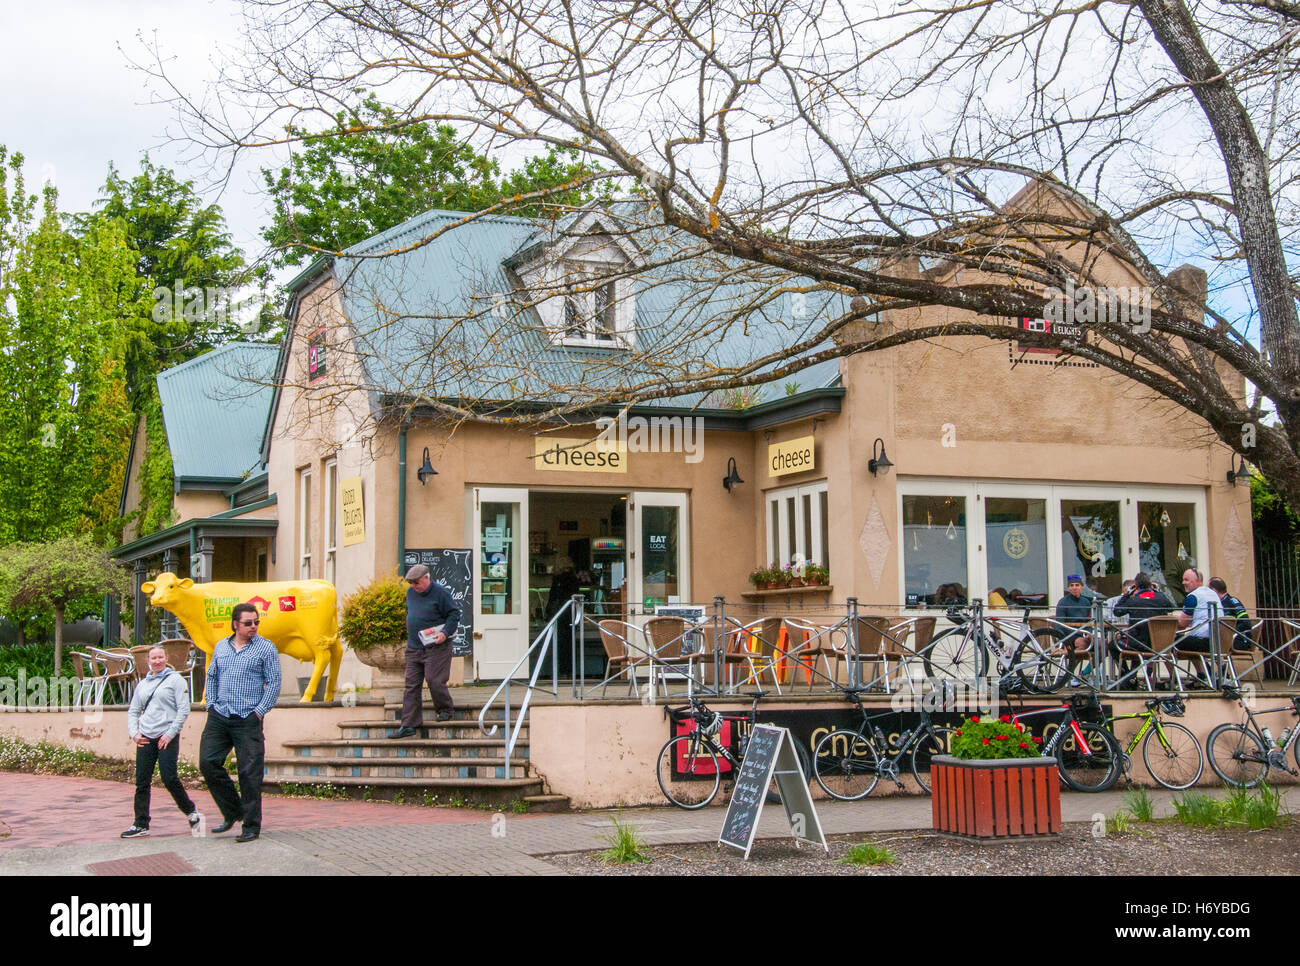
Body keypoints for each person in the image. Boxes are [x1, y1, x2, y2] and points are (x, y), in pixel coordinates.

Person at [199, 601, 281, 843]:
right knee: (208, 763)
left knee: (249, 773)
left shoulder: (266, 648)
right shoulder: (221, 647)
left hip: (248, 718)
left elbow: (274, 683)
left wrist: (259, 711)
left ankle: (251, 826)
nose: (253, 626)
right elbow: (212, 675)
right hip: (220, 716)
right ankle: (233, 811)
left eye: (256, 622)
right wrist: (211, 703)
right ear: (235, 624)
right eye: (248, 623)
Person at [121, 646, 201, 839]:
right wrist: (134, 733)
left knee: (169, 778)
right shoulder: (143, 684)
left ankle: (191, 811)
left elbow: (183, 710)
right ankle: (140, 824)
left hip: (167, 737)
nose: (157, 661)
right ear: (148, 661)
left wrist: (170, 734)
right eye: (153, 658)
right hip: (146, 737)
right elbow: (133, 711)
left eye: (160, 657)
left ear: (166, 658)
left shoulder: (175, 680)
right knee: (142, 781)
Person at [389, 564, 462, 739]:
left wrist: (444, 633)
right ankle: (409, 724)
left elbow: (454, 614)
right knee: (411, 685)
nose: (414, 586)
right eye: (411, 583)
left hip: (437, 645)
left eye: (417, 582)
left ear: (426, 578)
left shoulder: (440, 593)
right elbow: (410, 612)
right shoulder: (410, 593)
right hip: (414, 646)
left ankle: (445, 710)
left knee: (434, 680)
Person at [1111, 572, 1176, 681]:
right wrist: (1158, 591)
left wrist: (1127, 594)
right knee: (1136, 640)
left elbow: (1117, 611)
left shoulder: (1133, 601)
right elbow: (1171, 608)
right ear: (1151, 585)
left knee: (1113, 645)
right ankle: (1133, 677)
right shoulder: (1160, 598)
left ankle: (1127, 676)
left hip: (1138, 645)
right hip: (1160, 644)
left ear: (1135, 586)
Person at [1054, 575, 1094, 668]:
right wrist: (1063, 641)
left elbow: (1089, 622)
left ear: (1082, 587)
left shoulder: (1086, 602)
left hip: (1083, 634)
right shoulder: (1063, 602)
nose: (1074, 587)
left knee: (1104, 644)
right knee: (1082, 644)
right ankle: (1069, 675)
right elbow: (1059, 625)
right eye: (1072, 585)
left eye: (1077, 585)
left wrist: (1090, 633)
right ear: (1068, 588)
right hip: (1068, 635)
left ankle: (1086, 673)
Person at [1175, 568, 1219, 653]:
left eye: (1186, 580)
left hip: (1203, 640)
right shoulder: (1213, 594)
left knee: (1169, 643)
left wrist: (1170, 621)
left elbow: (1182, 623)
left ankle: (1172, 667)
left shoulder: (1193, 596)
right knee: (1188, 640)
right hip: (1219, 641)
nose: (1183, 583)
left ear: (1198, 580)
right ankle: (1207, 667)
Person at [1208, 577, 1255, 650]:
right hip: (1225, 641)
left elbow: (1245, 623)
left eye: (1207, 590)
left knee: (1201, 646)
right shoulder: (1217, 603)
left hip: (1240, 641)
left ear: (1213, 591)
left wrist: (1228, 633)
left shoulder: (1232, 601)